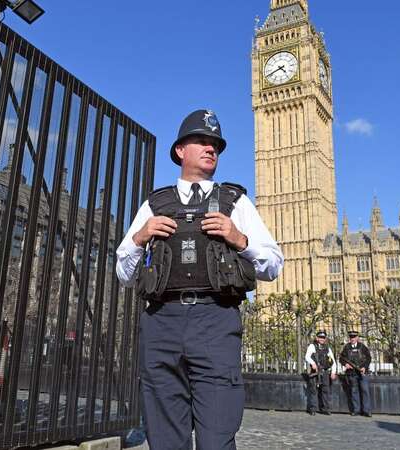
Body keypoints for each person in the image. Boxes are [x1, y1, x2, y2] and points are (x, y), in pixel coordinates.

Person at [115, 109, 283, 450]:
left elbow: (273, 265)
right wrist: (139, 238)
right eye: (202, 142)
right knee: (164, 436)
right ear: (180, 151)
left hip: (215, 320)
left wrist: (239, 238)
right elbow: (124, 273)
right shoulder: (154, 204)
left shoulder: (235, 202)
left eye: (216, 145)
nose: (211, 149)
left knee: (217, 436)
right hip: (162, 321)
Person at [339, 330, 372, 417]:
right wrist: (345, 364)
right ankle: (356, 410)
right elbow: (341, 358)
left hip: (362, 372)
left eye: (354, 337)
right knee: (354, 391)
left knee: (365, 391)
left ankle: (366, 410)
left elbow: (368, 358)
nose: (352, 339)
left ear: (357, 338)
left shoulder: (362, 347)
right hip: (352, 373)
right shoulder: (347, 347)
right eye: (351, 337)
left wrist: (364, 367)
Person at [304, 330, 337, 415]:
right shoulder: (312, 346)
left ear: (325, 339)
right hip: (315, 372)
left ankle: (325, 409)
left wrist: (333, 372)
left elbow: (332, 361)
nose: (322, 339)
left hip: (325, 372)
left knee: (325, 390)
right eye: (320, 337)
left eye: (323, 338)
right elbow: (307, 356)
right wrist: (313, 363)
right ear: (317, 338)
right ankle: (313, 409)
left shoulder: (327, 348)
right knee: (313, 391)